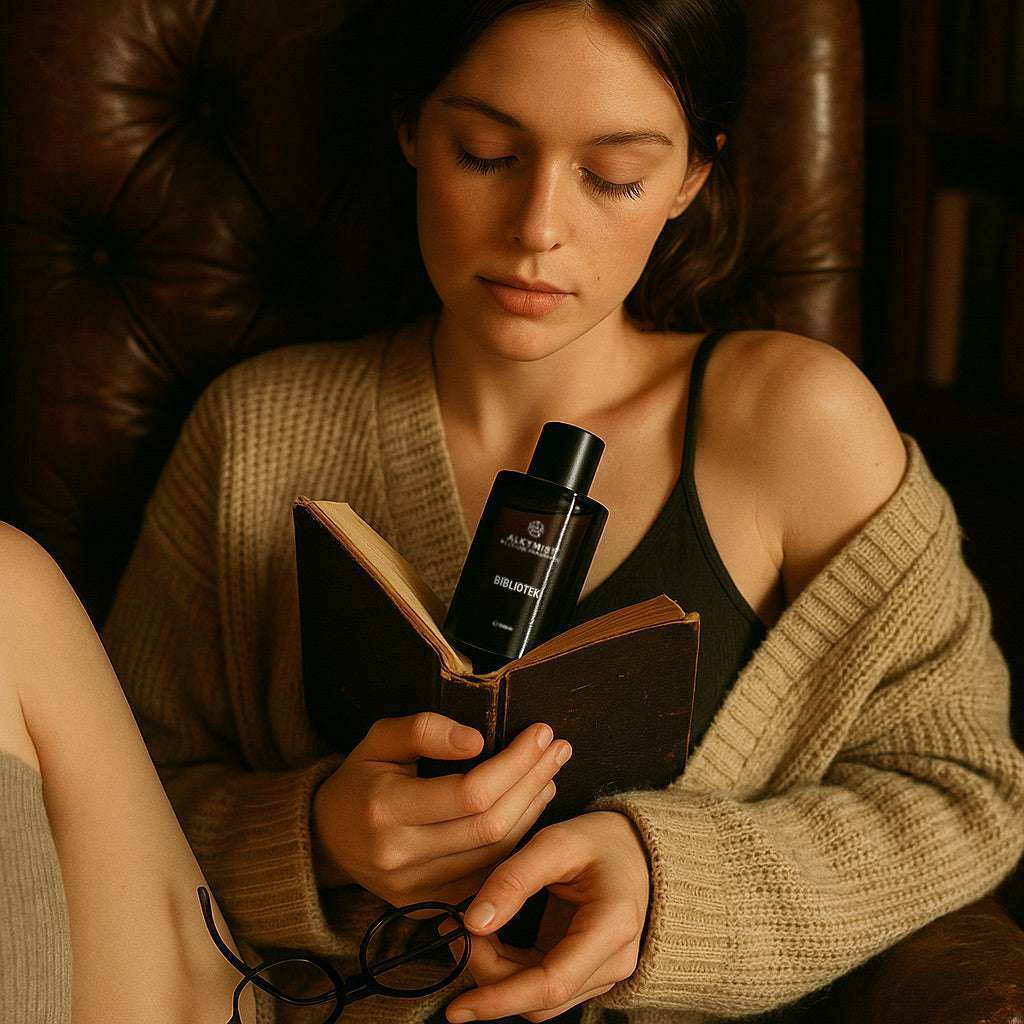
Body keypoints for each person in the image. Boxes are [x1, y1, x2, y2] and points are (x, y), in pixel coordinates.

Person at [2, 2, 1023, 1024]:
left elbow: (968, 787)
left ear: (692, 176)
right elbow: (109, 815)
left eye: (613, 174)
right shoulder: (258, 429)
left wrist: (670, 883)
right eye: (486, 153)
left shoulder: (795, 424)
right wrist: (315, 834)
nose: (537, 227)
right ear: (412, 128)